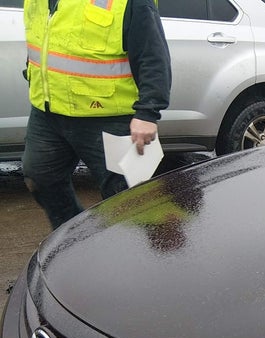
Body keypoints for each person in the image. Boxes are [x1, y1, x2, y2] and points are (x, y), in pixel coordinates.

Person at [22, 0, 171, 230]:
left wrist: (148, 113)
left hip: (111, 118)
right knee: (40, 176)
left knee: (133, 199)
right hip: (49, 113)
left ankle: (145, 258)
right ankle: (75, 238)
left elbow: (153, 55)